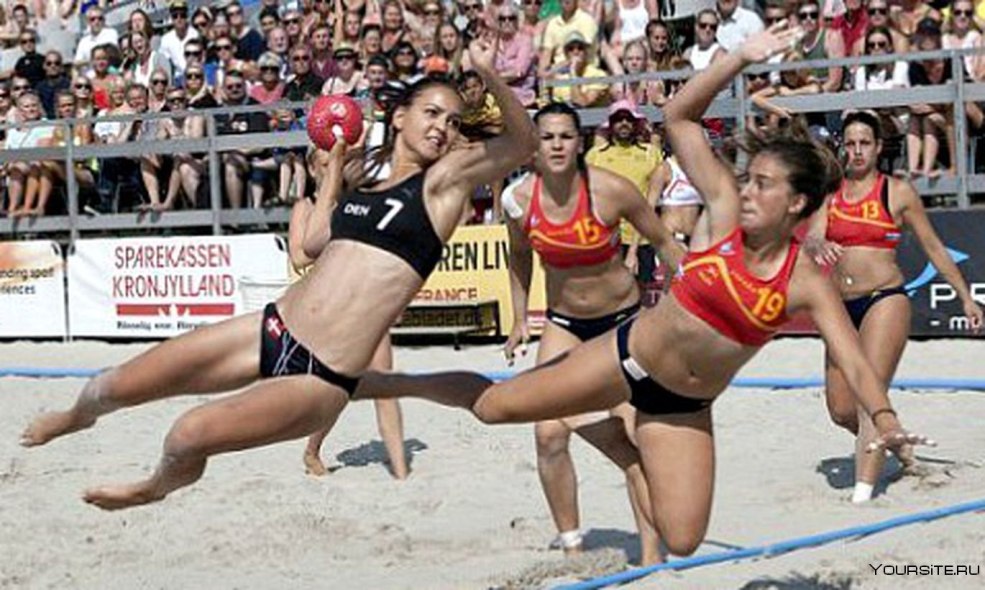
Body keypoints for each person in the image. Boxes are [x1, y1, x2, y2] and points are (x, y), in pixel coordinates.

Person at [349, 24, 931, 558]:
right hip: (625, 357)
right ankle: (384, 382)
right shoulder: (723, 212)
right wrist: (738, 58)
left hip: (683, 405)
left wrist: (880, 415)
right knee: (493, 408)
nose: (746, 191)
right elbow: (679, 117)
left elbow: (854, 360)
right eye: (748, 179)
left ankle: (612, 442)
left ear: (798, 203)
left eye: (763, 185)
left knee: (683, 539)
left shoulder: (804, 281)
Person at [20, 36, 538, 510]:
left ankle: (154, 488)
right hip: (271, 329)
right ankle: (75, 417)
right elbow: (311, 246)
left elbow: (522, 144)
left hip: (320, 375)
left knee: (185, 435)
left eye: (451, 121)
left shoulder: (441, 186)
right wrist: (332, 173)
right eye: (431, 113)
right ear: (398, 117)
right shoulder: (368, 189)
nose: (442, 128)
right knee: (111, 383)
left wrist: (490, 76)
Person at [502, 101, 682, 564]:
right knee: (547, 435)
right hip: (564, 326)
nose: (557, 144)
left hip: (621, 324)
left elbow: (664, 243)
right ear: (533, 148)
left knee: (634, 433)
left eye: (565, 136)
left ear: (579, 142)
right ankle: (573, 547)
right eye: (547, 137)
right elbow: (518, 257)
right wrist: (521, 318)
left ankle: (650, 554)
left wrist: (696, 300)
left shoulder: (611, 190)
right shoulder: (519, 201)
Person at [806, 110, 983, 503]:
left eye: (863, 143)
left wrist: (966, 297)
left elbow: (935, 248)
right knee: (840, 408)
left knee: (870, 395)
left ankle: (862, 496)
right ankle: (899, 445)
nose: (856, 151)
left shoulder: (896, 192)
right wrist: (816, 244)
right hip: (840, 307)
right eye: (849, 143)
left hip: (884, 299)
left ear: (878, 147)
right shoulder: (830, 194)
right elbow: (812, 238)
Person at [288, 148, 410, 480]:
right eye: (325, 165)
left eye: (336, 164)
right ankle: (312, 449)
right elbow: (299, 257)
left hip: (368, 297)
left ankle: (401, 468)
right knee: (337, 388)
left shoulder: (357, 202)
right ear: (313, 170)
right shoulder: (307, 207)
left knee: (385, 382)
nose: (332, 170)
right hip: (329, 303)